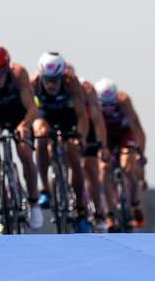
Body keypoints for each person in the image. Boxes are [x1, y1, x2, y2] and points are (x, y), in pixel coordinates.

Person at [0, 46, 43, 229]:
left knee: (25, 153)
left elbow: (33, 108)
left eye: (1, 73)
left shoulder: (18, 74)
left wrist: (24, 125)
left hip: (18, 113)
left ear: (7, 69)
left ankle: (33, 202)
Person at [31, 52, 90, 231]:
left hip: (68, 117)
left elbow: (81, 115)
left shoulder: (71, 82)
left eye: (55, 80)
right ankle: (45, 189)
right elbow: (28, 110)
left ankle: (81, 210)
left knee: (73, 152)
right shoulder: (34, 83)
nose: (51, 85)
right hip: (45, 116)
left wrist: (81, 137)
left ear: (62, 76)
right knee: (41, 136)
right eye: (47, 80)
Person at [95, 78, 147, 230]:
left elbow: (138, 129)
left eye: (112, 104)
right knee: (104, 170)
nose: (109, 108)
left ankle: (134, 203)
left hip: (124, 135)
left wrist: (140, 153)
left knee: (128, 168)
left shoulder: (124, 102)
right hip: (106, 138)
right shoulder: (94, 107)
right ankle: (110, 214)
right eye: (105, 105)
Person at [80, 78, 109, 231]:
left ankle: (98, 212)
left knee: (90, 167)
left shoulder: (89, 95)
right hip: (68, 126)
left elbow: (99, 124)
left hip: (88, 130)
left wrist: (103, 147)